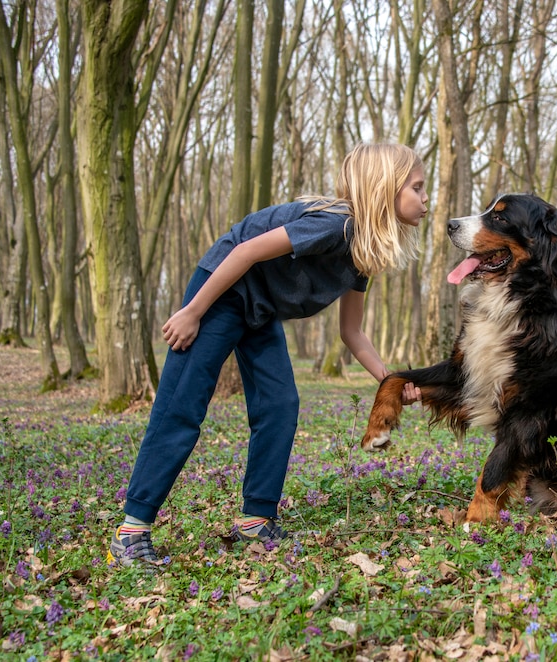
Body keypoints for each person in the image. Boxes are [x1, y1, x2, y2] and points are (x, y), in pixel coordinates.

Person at [107, 143, 426, 566]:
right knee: (183, 404)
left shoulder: (361, 251)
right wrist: (192, 312)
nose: (426, 200)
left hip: (260, 308)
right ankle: (132, 531)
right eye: (418, 188)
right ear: (386, 188)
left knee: (279, 404)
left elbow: (352, 332)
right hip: (222, 293)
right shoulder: (337, 226)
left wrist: (392, 383)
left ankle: (255, 519)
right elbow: (245, 250)